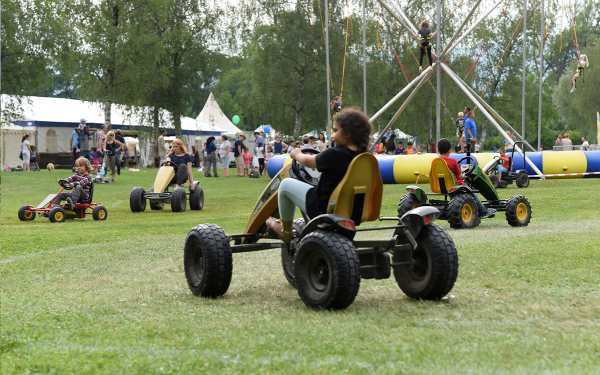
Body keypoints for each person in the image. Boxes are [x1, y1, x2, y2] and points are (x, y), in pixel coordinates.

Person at [265, 108, 371, 243]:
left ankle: (285, 232)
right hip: (354, 210)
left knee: (285, 185)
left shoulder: (334, 154)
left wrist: (297, 154)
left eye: (336, 130)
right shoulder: (366, 157)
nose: (332, 135)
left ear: (348, 133)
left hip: (323, 208)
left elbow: (309, 161)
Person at [437, 138, 497, 219]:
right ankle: (484, 212)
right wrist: (464, 175)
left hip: (441, 185)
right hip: (456, 185)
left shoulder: (435, 162)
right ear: (450, 151)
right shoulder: (453, 161)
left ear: (437, 150)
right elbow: (460, 176)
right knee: (473, 194)